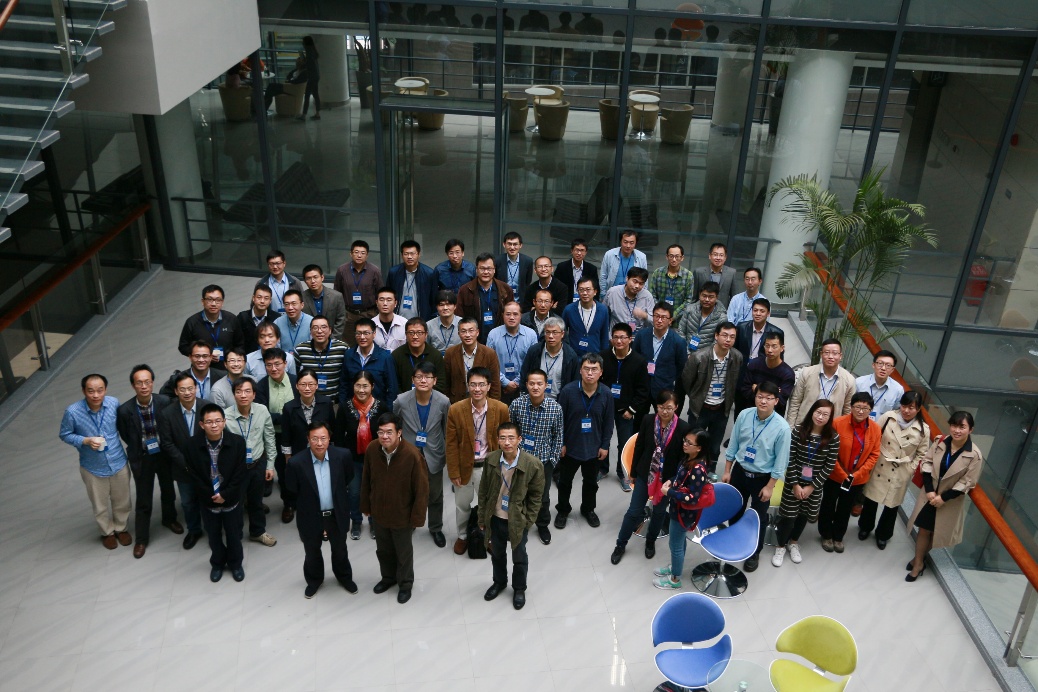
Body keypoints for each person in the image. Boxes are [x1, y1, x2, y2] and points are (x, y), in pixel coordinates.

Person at [611, 391, 690, 565]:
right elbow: (639, 447)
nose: (664, 411)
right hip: (645, 474)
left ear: (676, 407)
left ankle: (650, 541)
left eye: (669, 408)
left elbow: (683, 459)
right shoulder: (647, 420)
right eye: (661, 407)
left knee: (659, 512)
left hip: (666, 479)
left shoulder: (683, 428)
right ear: (656, 406)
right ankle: (620, 544)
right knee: (633, 511)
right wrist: (633, 472)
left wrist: (674, 480)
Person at [722, 381, 792, 572]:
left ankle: (754, 552)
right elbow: (733, 444)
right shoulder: (744, 415)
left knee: (758, 517)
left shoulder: (782, 428)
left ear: (776, 401)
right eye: (760, 396)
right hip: (739, 472)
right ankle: (735, 540)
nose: (763, 401)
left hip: (763, 478)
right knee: (735, 509)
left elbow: (780, 462)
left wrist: (770, 486)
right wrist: (727, 470)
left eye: (768, 398)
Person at [905, 411, 983, 582]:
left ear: (970, 430)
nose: (957, 430)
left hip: (949, 500)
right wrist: (929, 490)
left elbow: (967, 482)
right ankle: (918, 563)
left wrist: (943, 498)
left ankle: (918, 559)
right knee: (924, 529)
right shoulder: (940, 441)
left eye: (962, 427)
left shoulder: (974, 455)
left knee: (936, 532)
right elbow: (927, 462)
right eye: (954, 425)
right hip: (930, 494)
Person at [362, 412, 430, 604]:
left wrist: (417, 517)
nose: (384, 436)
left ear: (399, 432)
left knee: (403, 553)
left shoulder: (412, 455)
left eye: (389, 432)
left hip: (402, 515)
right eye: (381, 432)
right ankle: (388, 578)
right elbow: (366, 478)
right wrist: (366, 505)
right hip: (379, 512)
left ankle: (405, 584)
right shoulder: (372, 449)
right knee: (383, 550)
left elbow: (422, 490)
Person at [59, 373, 133, 551]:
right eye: (91, 391)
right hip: (93, 467)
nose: (96, 395)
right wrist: (84, 440)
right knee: (100, 505)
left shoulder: (113, 403)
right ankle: (107, 532)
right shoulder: (72, 412)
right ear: (83, 391)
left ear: (105, 390)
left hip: (118, 462)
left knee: (123, 500)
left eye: (100, 390)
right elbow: (65, 434)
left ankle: (121, 528)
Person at [286, 421, 358, 599]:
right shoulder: (296, 463)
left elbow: (348, 477)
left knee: (340, 549)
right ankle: (314, 581)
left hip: (336, 513)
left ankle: (344, 577)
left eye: (323, 438)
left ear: (329, 438)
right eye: (315, 439)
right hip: (310, 515)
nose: (319, 443)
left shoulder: (343, 456)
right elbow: (292, 490)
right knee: (312, 552)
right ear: (308, 439)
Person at [478, 422, 545, 611]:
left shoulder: (533, 464)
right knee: (497, 554)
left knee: (519, 556)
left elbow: (536, 497)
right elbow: (483, 490)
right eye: (502, 438)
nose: (507, 442)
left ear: (519, 439)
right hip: (495, 518)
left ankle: (519, 588)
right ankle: (499, 582)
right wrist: (482, 518)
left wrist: (527, 521)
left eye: (511, 438)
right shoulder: (491, 459)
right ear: (497, 440)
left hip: (517, 521)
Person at [445, 367, 511, 554]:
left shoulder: (501, 409)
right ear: (467, 386)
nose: (477, 389)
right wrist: (453, 471)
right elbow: (451, 444)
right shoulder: (456, 410)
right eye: (473, 384)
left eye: (482, 384)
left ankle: (487, 536)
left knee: (489, 505)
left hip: (489, 467)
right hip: (464, 467)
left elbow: (506, 441)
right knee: (462, 505)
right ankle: (462, 536)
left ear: (489, 386)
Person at [116, 366, 179, 558]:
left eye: (147, 382)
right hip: (142, 457)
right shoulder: (125, 410)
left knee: (168, 490)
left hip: (164, 454)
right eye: (139, 383)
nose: (143, 386)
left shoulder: (164, 402)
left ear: (152, 383)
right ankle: (141, 539)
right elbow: (126, 435)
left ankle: (169, 519)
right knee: (144, 499)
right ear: (133, 385)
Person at [858, 391, 930, 549]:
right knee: (871, 500)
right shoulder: (889, 417)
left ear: (918, 409)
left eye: (911, 408)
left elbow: (922, 454)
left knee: (891, 506)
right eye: (904, 406)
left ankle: (883, 534)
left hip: (901, 469)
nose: (906, 410)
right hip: (880, 464)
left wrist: (910, 469)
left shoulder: (923, 429)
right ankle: (865, 527)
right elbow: (873, 436)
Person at [771, 400, 840, 567]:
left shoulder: (833, 437)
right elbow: (789, 458)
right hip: (793, 482)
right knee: (788, 517)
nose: (820, 417)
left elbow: (829, 465)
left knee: (803, 515)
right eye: (818, 412)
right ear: (812, 412)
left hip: (814, 486)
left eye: (825, 414)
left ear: (830, 417)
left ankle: (794, 543)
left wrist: (811, 487)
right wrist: (795, 485)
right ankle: (780, 546)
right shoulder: (797, 431)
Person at [185, 404, 248, 583]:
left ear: (224, 422)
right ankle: (218, 564)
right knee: (213, 535)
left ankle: (236, 564)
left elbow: (240, 473)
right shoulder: (191, 445)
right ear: (201, 424)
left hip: (231, 498)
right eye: (209, 422)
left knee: (234, 534)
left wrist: (225, 494)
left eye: (218, 421)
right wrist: (210, 496)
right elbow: (193, 475)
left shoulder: (237, 442)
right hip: (208, 499)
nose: (214, 425)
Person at [394, 362, 451, 548]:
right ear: (413, 379)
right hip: (409, 455)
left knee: (435, 495)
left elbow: (446, 429)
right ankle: (410, 523)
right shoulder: (401, 401)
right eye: (419, 376)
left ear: (434, 380)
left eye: (427, 377)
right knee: (408, 493)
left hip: (434, 453)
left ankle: (435, 528)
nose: (423, 380)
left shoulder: (444, 401)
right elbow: (396, 426)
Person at [555, 353, 614, 529]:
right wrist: (561, 443)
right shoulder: (568, 391)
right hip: (570, 447)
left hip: (594, 449)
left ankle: (588, 509)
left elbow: (608, 422)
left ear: (601, 372)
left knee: (591, 483)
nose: (590, 373)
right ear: (580, 370)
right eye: (586, 368)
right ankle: (563, 510)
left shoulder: (606, 394)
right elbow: (559, 420)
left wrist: (605, 445)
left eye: (594, 369)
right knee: (564, 482)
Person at [818, 392, 881, 553]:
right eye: (857, 407)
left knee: (845, 508)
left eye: (865, 408)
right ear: (851, 407)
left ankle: (838, 536)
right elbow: (829, 451)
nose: (861, 411)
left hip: (856, 479)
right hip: (834, 475)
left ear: (870, 410)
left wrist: (857, 475)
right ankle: (826, 534)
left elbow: (874, 455)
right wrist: (842, 474)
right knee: (828, 504)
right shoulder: (837, 423)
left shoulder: (875, 429)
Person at [508, 369, 564, 545]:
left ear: (546, 385)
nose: (535, 387)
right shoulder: (517, 405)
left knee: (542, 496)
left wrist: (552, 461)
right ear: (526, 385)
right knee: (517, 493)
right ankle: (519, 524)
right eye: (531, 383)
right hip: (520, 459)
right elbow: (510, 431)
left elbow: (558, 436)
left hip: (543, 461)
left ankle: (542, 524)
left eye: (540, 383)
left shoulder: (555, 408)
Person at [652, 429, 710, 590]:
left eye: (689, 443)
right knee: (679, 541)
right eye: (685, 440)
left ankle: (675, 579)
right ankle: (676, 567)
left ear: (699, 448)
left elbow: (693, 498)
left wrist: (669, 492)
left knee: (675, 545)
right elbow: (680, 477)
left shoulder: (698, 469)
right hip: (677, 509)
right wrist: (671, 481)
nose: (685, 444)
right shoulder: (688, 458)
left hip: (683, 514)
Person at [157, 371, 210, 549]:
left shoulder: (207, 407)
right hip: (182, 468)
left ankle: (212, 529)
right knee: (187, 502)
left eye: (190, 388)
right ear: (176, 391)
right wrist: (185, 464)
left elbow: (215, 435)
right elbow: (167, 443)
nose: (187, 392)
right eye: (182, 389)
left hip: (206, 466)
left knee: (208, 500)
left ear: (196, 388)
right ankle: (194, 530)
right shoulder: (167, 414)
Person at [681, 321, 742, 472]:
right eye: (725, 335)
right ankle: (689, 471)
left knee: (715, 446)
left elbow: (734, 383)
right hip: (700, 408)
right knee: (694, 444)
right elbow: (687, 381)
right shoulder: (699, 357)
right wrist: (696, 397)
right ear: (716, 335)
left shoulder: (737, 357)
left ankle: (711, 472)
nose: (728, 340)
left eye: (732, 337)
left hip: (721, 409)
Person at [225, 377, 278, 548]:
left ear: (254, 394)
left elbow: (269, 438)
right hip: (236, 469)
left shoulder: (262, 410)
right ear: (234, 394)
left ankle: (257, 532)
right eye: (238, 391)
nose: (243, 395)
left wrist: (270, 465)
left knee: (256, 501)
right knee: (236, 504)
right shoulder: (225, 416)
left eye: (247, 391)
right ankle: (236, 535)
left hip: (257, 463)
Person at [335, 371, 386, 540]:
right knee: (354, 493)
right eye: (358, 385)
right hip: (352, 459)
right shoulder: (344, 407)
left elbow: (386, 434)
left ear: (372, 386)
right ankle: (356, 521)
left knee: (374, 492)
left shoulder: (381, 407)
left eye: (365, 386)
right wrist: (340, 460)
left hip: (376, 459)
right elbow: (338, 436)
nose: (361, 390)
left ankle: (374, 521)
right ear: (353, 386)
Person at [600, 323, 651, 488]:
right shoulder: (603, 357)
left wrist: (632, 409)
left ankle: (623, 473)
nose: (619, 341)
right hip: (605, 409)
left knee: (624, 443)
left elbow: (643, 390)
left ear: (630, 339)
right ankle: (602, 469)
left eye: (623, 337)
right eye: (615, 337)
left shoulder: (639, 361)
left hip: (626, 411)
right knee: (603, 441)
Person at [255, 347, 299, 521]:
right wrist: (288, 417)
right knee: (283, 472)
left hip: (298, 435)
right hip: (276, 437)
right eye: (269, 365)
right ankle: (288, 504)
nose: (273, 368)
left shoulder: (296, 381)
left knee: (303, 469)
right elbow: (263, 414)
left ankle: (305, 501)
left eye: (277, 364)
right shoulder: (261, 386)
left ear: (285, 363)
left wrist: (281, 417)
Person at [786, 338, 857, 426]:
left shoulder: (849, 380)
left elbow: (847, 410)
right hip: (805, 424)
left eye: (835, 353)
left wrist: (840, 431)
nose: (830, 356)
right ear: (821, 354)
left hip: (830, 427)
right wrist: (791, 427)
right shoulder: (807, 373)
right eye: (826, 353)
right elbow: (795, 402)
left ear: (840, 356)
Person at [178, 284, 242, 372]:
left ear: (222, 302)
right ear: (202, 301)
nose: (213, 304)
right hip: (201, 370)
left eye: (218, 300)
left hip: (227, 369)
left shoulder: (232, 319)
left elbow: (240, 344)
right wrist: (203, 356)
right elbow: (183, 346)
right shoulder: (192, 322)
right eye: (209, 299)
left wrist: (231, 358)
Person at [632, 302, 688, 402]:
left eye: (664, 317)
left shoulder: (678, 342)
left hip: (664, 388)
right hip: (642, 387)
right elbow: (635, 358)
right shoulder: (641, 335)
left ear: (670, 321)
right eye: (656, 316)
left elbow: (681, 368)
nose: (659, 320)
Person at [334, 240, 384, 347]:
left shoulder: (374, 271)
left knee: (368, 343)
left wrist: (376, 313)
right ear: (351, 254)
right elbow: (337, 293)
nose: (359, 255)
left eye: (363, 253)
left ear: (367, 255)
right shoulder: (342, 270)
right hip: (349, 314)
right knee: (349, 344)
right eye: (356, 252)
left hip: (369, 314)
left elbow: (380, 293)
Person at [486, 302, 538, 404]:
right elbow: (489, 362)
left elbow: (532, 363)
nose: (511, 317)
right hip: (498, 386)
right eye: (508, 314)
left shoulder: (531, 335)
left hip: (524, 386)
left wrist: (517, 382)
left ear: (521, 315)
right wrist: (505, 382)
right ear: (503, 315)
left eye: (515, 314)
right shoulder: (493, 335)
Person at [457, 252, 514, 343]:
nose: (486, 272)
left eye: (489, 269)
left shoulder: (505, 289)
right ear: (476, 270)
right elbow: (460, 317)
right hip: (474, 341)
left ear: (494, 270)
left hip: (501, 340)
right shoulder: (465, 290)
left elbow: (511, 315)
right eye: (482, 269)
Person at [342, 318, 399, 408]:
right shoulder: (349, 355)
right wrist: (343, 408)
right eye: (358, 333)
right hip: (353, 408)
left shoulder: (385, 357)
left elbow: (392, 388)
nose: (362, 337)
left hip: (378, 408)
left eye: (366, 333)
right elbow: (344, 385)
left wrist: (388, 411)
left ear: (374, 334)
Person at [281, 369, 336, 459]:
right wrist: (288, 457)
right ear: (297, 386)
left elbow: (332, 429)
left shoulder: (326, 403)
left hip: (322, 452)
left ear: (316, 385)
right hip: (298, 454)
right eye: (303, 384)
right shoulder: (289, 407)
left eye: (311, 384)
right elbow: (286, 436)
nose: (307, 388)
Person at [444, 318, 502, 403]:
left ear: (477, 332)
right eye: (463, 331)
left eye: (471, 331)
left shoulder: (489, 353)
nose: (467, 335)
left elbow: (495, 383)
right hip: (457, 402)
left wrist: (493, 405)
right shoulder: (450, 353)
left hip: (482, 402)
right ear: (459, 334)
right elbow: (446, 382)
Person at [520, 316, 579, 399]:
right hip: (535, 400)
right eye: (547, 332)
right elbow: (524, 375)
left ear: (562, 334)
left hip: (559, 401)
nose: (551, 336)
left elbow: (574, 383)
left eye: (555, 332)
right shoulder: (534, 351)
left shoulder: (570, 356)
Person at [739, 332, 796, 417]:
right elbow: (745, 390)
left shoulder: (788, 374)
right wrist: (773, 392)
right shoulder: (754, 364)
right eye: (767, 346)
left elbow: (781, 401)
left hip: (773, 417)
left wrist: (757, 389)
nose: (769, 350)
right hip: (751, 412)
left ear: (782, 348)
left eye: (774, 346)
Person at [294, 316, 349, 401]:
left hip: (335, 401)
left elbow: (346, 377)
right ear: (310, 331)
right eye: (315, 328)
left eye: (323, 327)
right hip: (309, 401)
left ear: (330, 330)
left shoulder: (342, 348)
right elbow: (295, 376)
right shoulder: (300, 349)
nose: (319, 331)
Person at [387, 240, 438, 321]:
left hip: (420, 320)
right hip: (397, 319)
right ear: (402, 255)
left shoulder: (429, 274)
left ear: (418, 254)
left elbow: (433, 299)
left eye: (412, 253)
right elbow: (388, 296)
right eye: (406, 254)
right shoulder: (394, 272)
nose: (409, 257)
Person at [674, 281, 729, 357]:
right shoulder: (689, 310)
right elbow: (681, 331)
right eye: (704, 296)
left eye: (711, 297)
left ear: (717, 297)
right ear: (699, 295)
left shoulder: (722, 318)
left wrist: (700, 358)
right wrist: (687, 352)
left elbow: (717, 342)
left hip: (706, 358)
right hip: (685, 353)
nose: (707, 299)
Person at [159, 341, 224, 401]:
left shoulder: (222, 376)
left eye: (205, 356)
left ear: (211, 357)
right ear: (190, 357)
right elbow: (164, 398)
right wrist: (182, 403)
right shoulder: (177, 378)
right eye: (197, 356)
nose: (201, 360)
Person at [563, 277, 611, 357]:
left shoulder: (603, 310)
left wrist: (604, 356)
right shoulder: (569, 310)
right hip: (574, 356)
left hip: (595, 356)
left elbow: (604, 336)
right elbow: (562, 333)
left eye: (588, 290)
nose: (585, 293)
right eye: (581, 290)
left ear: (595, 292)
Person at [301, 264, 347, 342]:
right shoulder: (301, 298)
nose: (313, 281)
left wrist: (331, 340)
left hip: (332, 340)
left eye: (315, 277)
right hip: (309, 340)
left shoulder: (336, 296)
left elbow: (341, 320)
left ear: (322, 277)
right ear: (305, 281)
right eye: (309, 278)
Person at [856, 350, 905, 419]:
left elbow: (896, 413)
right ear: (873, 365)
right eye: (880, 363)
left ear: (892, 370)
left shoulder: (898, 390)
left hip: (882, 425)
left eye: (888, 365)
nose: (883, 368)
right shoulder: (859, 382)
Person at [603, 267, 654, 332]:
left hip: (638, 336)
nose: (637, 286)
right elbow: (603, 315)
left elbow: (654, 321)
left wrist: (645, 315)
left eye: (641, 283)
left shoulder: (647, 296)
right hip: (617, 335)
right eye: (634, 281)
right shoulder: (613, 293)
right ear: (627, 278)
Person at [649, 244, 695, 313]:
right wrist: (661, 312)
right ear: (667, 257)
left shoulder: (688, 276)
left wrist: (674, 315)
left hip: (679, 317)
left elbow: (688, 300)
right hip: (659, 315)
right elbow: (652, 295)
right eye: (671, 256)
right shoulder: (657, 273)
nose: (674, 259)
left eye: (677, 256)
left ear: (682, 258)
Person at [256, 250, 304, 315]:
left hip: (292, 318)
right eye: (271, 264)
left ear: (284, 263)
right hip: (270, 319)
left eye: (278, 263)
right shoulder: (262, 283)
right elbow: (255, 304)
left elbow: (302, 301)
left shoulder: (294, 282)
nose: (275, 267)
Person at [555, 238, 599, 304]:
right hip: (566, 302)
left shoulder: (591, 269)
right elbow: (556, 287)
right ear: (572, 251)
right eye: (577, 250)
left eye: (582, 250)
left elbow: (596, 288)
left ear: (586, 252)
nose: (579, 253)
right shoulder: (562, 267)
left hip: (586, 303)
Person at [235, 284, 276, 353]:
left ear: (270, 300)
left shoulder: (275, 318)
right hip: (247, 357)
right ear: (253, 298)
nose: (262, 301)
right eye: (259, 297)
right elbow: (236, 341)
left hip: (270, 356)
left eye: (266, 298)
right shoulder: (242, 317)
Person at [274, 290, 313, 357]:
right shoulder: (277, 323)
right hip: (283, 361)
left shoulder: (311, 322)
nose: (290, 308)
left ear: (302, 305)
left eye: (294, 303)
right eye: (287, 304)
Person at [495, 231, 534, 297]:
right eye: (509, 244)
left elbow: (527, 282)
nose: (512, 247)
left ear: (520, 245)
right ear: (504, 244)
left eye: (515, 244)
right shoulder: (497, 261)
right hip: (501, 298)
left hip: (520, 299)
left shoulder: (528, 261)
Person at [427, 290, 463, 355]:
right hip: (436, 360)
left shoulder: (463, 323)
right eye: (441, 305)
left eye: (448, 304)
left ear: (455, 306)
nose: (445, 308)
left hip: (458, 359)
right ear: (436, 307)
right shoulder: (429, 325)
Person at [373, 287, 407, 352]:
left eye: (389, 300)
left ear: (395, 303)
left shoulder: (404, 323)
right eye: (381, 300)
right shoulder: (371, 325)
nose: (385, 303)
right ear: (376, 303)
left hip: (398, 358)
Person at [299, 36, 321, 120]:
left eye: (303, 42)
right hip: (316, 75)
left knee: (307, 95)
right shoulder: (313, 50)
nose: (302, 43)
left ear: (306, 43)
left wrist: (303, 63)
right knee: (315, 94)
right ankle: (317, 114)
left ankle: (304, 115)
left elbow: (309, 64)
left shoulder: (309, 51)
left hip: (312, 76)